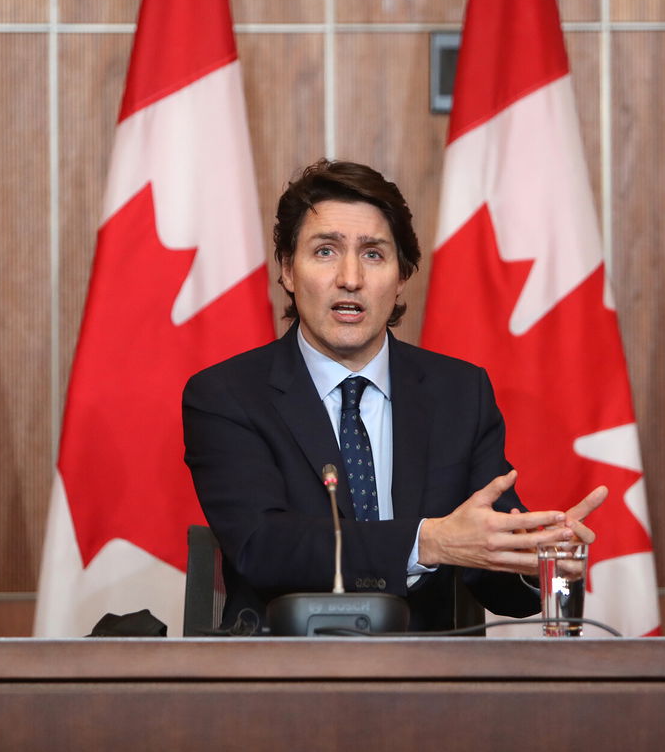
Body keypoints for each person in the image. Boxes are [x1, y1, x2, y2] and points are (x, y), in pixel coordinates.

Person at [182, 159, 607, 631]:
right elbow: (263, 545)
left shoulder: (459, 394)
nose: (350, 278)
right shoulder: (228, 395)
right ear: (287, 269)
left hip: (431, 685)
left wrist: (539, 558)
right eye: (325, 251)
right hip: (284, 678)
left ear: (402, 275)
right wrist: (427, 542)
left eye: (373, 254)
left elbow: (492, 573)